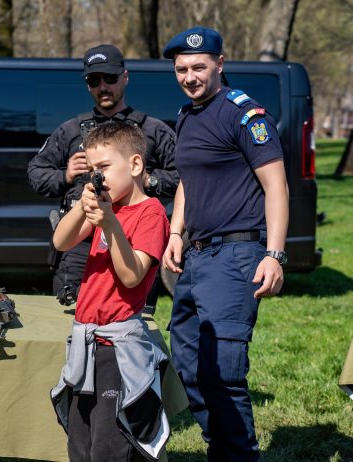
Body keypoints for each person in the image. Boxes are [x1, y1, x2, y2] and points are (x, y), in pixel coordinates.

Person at [161, 27, 289, 462]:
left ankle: (237, 454)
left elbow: (276, 187)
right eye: (182, 69)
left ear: (220, 63)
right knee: (187, 362)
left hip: (236, 255)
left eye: (199, 67)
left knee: (223, 371)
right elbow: (187, 181)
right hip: (195, 256)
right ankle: (222, 446)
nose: (190, 77)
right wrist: (175, 232)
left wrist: (274, 254)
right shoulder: (186, 115)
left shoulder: (245, 114)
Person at [50, 123, 171, 462]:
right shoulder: (108, 205)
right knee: (80, 439)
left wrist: (110, 224)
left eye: (103, 167)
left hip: (117, 349)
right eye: (92, 169)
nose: (97, 177)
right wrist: (82, 205)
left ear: (135, 164)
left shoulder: (151, 213)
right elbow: (61, 242)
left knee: (110, 444)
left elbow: (132, 276)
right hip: (88, 340)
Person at [27, 44, 178, 306]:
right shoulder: (71, 130)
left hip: (132, 239)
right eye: (94, 81)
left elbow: (186, 177)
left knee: (132, 312)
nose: (103, 86)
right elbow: (36, 172)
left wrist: (148, 180)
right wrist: (66, 175)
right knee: (71, 316)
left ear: (125, 77)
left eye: (110, 78)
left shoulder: (152, 130)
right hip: (80, 242)